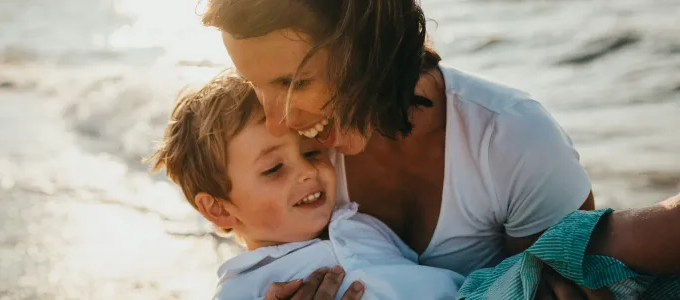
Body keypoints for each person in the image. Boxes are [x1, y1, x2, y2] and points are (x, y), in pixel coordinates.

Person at [200, 0, 680, 299]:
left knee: (626, 258)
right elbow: (266, 251)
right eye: (256, 86)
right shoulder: (300, 155)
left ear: (365, 46)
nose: (277, 119)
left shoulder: (508, 139)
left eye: (292, 83)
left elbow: (578, 281)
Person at [149, 72, 466, 299]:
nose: (307, 172)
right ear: (218, 207)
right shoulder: (245, 288)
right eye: (274, 169)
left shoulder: (363, 223)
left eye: (312, 151)